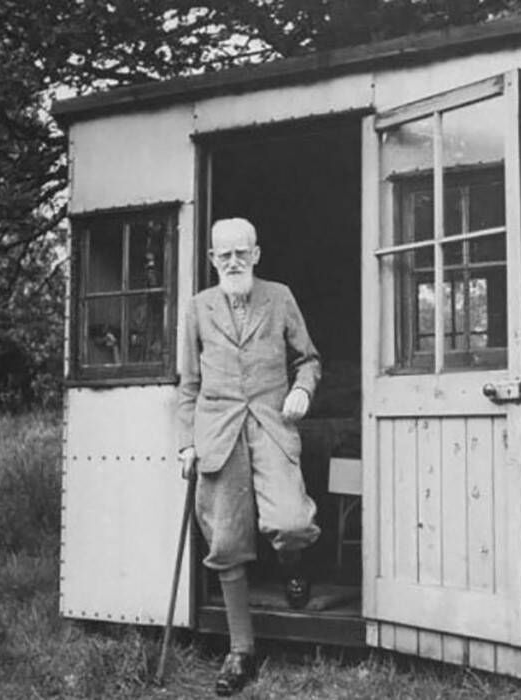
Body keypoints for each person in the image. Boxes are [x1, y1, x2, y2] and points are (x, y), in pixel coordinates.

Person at [176, 217, 321, 696]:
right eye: (224, 255)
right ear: (212, 259)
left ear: (256, 254)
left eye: (242, 253)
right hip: (218, 433)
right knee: (226, 540)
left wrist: (302, 389)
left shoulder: (280, 297)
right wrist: (187, 442)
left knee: (291, 521)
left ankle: (293, 567)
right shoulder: (197, 308)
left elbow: (308, 359)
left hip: (271, 424)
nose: (234, 262)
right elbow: (188, 384)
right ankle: (241, 650)